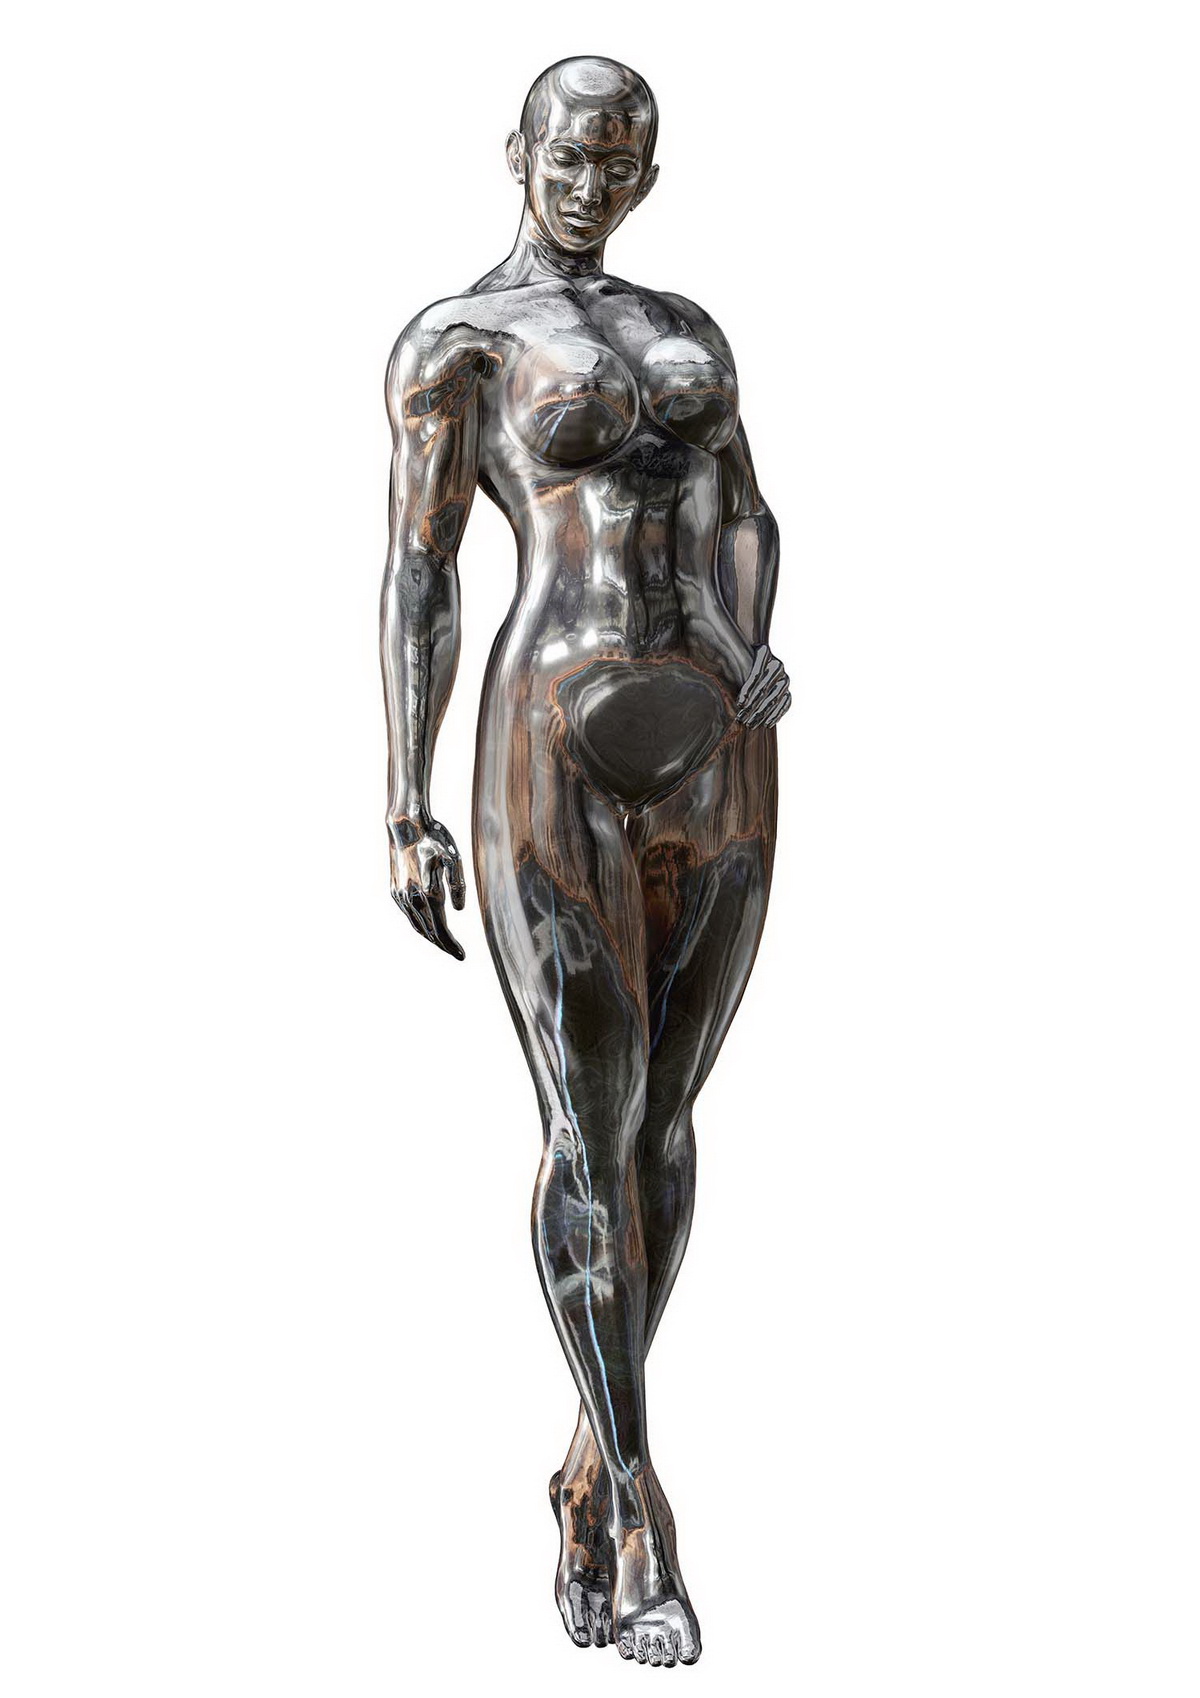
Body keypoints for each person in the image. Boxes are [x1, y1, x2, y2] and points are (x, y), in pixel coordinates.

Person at [380, 56, 791, 1667]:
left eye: (619, 160)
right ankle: (639, 1506)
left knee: (666, 1125)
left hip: (719, 740)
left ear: (647, 176)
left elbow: (747, 507)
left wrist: (751, 639)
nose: (590, 179)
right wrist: (402, 797)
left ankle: (578, 1460)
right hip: (551, 736)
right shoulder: (460, 342)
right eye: (569, 150)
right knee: (586, 1120)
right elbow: (419, 568)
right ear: (519, 150)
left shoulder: (691, 331)